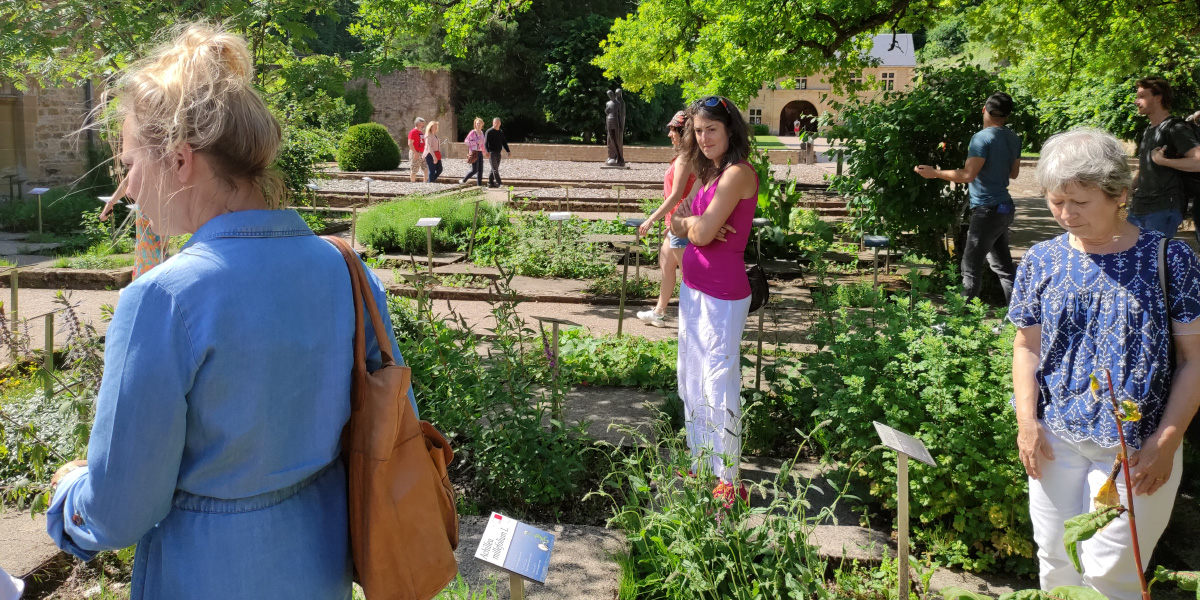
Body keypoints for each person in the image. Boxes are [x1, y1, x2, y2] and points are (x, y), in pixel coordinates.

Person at [44, 23, 415, 600]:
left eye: (129, 165)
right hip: (321, 566)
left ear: (180, 161)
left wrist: (70, 493)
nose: (129, 190)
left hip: (208, 574)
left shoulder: (164, 299)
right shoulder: (344, 269)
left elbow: (119, 511)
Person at [1010, 128, 1200, 600]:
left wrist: (1166, 441)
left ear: (1120, 194)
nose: (1065, 214)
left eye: (1079, 201)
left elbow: (1195, 359)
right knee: (1055, 559)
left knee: (1109, 573)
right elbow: (1027, 347)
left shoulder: (1169, 258)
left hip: (1136, 450)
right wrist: (1026, 424)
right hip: (1055, 439)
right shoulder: (1041, 259)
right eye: (1055, 201)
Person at [669, 96, 756, 504]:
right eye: (698, 131)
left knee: (718, 385)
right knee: (691, 378)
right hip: (694, 288)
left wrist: (697, 227)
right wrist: (693, 224)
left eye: (712, 130)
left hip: (722, 295)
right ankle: (701, 461)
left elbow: (700, 235)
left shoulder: (737, 174)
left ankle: (728, 477)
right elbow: (678, 221)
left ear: (730, 131)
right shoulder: (710, 174)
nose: (703, 138)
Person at [915, 92, 1021, 303]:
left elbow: (967, 175)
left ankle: (959, 318)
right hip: (1005, 208)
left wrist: (935, 173)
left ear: (984, 110)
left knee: (970, 267)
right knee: (1004, 268)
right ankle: (1018, 320)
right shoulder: (1013, 138)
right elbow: (1014, 173)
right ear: (1007, 115)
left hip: (987, 209)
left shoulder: (981, 138)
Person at [637, 110, 697, 327]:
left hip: (681, 224)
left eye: (674, 130)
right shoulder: (686, 157)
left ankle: (694, 318)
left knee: (690, 277)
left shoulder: (685, 158)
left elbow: (676, 196)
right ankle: (659, 312)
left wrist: (651, 219)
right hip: (676, 223)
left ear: (684, 133)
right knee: (666, 268)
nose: (670, 135)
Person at [1128, 77, 1200, 239]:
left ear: (1158, 97)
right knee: (1132, 257)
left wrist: (1164, 161)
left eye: (1141, 96)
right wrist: (1129, 188)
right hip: (1138, 208)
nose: (1136, 101)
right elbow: (1145, 167)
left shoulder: (1175, 128)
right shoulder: (1148, 130)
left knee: (1153, 260)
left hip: (1163, 209)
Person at [99, 184, 169, 279]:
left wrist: (110, 203)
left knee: (148, 251)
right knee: (160, 249)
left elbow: (127, 181)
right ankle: (162, 281)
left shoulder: (142, 169)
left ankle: (149, 283)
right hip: (164, 206)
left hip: (148, 206)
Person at [461, 117, 488, 186]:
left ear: (482, 124)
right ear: (475, 124)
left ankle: (479, 185)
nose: (478, 125)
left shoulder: (482, 133)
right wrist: (475, 142)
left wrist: (485, 152)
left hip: (480, 152)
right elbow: (466, 141)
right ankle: (463, 180)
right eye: (477, 123)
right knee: (474, 170)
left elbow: (482, 144)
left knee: (480, 170)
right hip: (474, 152)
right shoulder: (472, 132)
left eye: (479, 123)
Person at [485, 117, 511, 188]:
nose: (496, 124)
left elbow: (504, 142)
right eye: (495, 122)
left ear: (500, 123)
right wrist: (487, 152)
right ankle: (499, 183)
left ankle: (490, 183)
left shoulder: (500, 132)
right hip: (491, 153)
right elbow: (486, 142)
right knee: (495, 169)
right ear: (493, 123)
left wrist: (508, 151)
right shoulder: (489, 131)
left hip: (498, 153)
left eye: (497, 123)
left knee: (494, 168)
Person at [408, 116, 426, 183]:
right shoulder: (413, 132)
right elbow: (410, 143)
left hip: (422, 153)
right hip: (415, 152)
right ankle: (412, 183)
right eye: (422, 124)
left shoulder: (420, 132)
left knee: (425, 168)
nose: (423, 125)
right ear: (418, 124)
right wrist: (415, 153)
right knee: (414, 169)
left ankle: (425, 183)